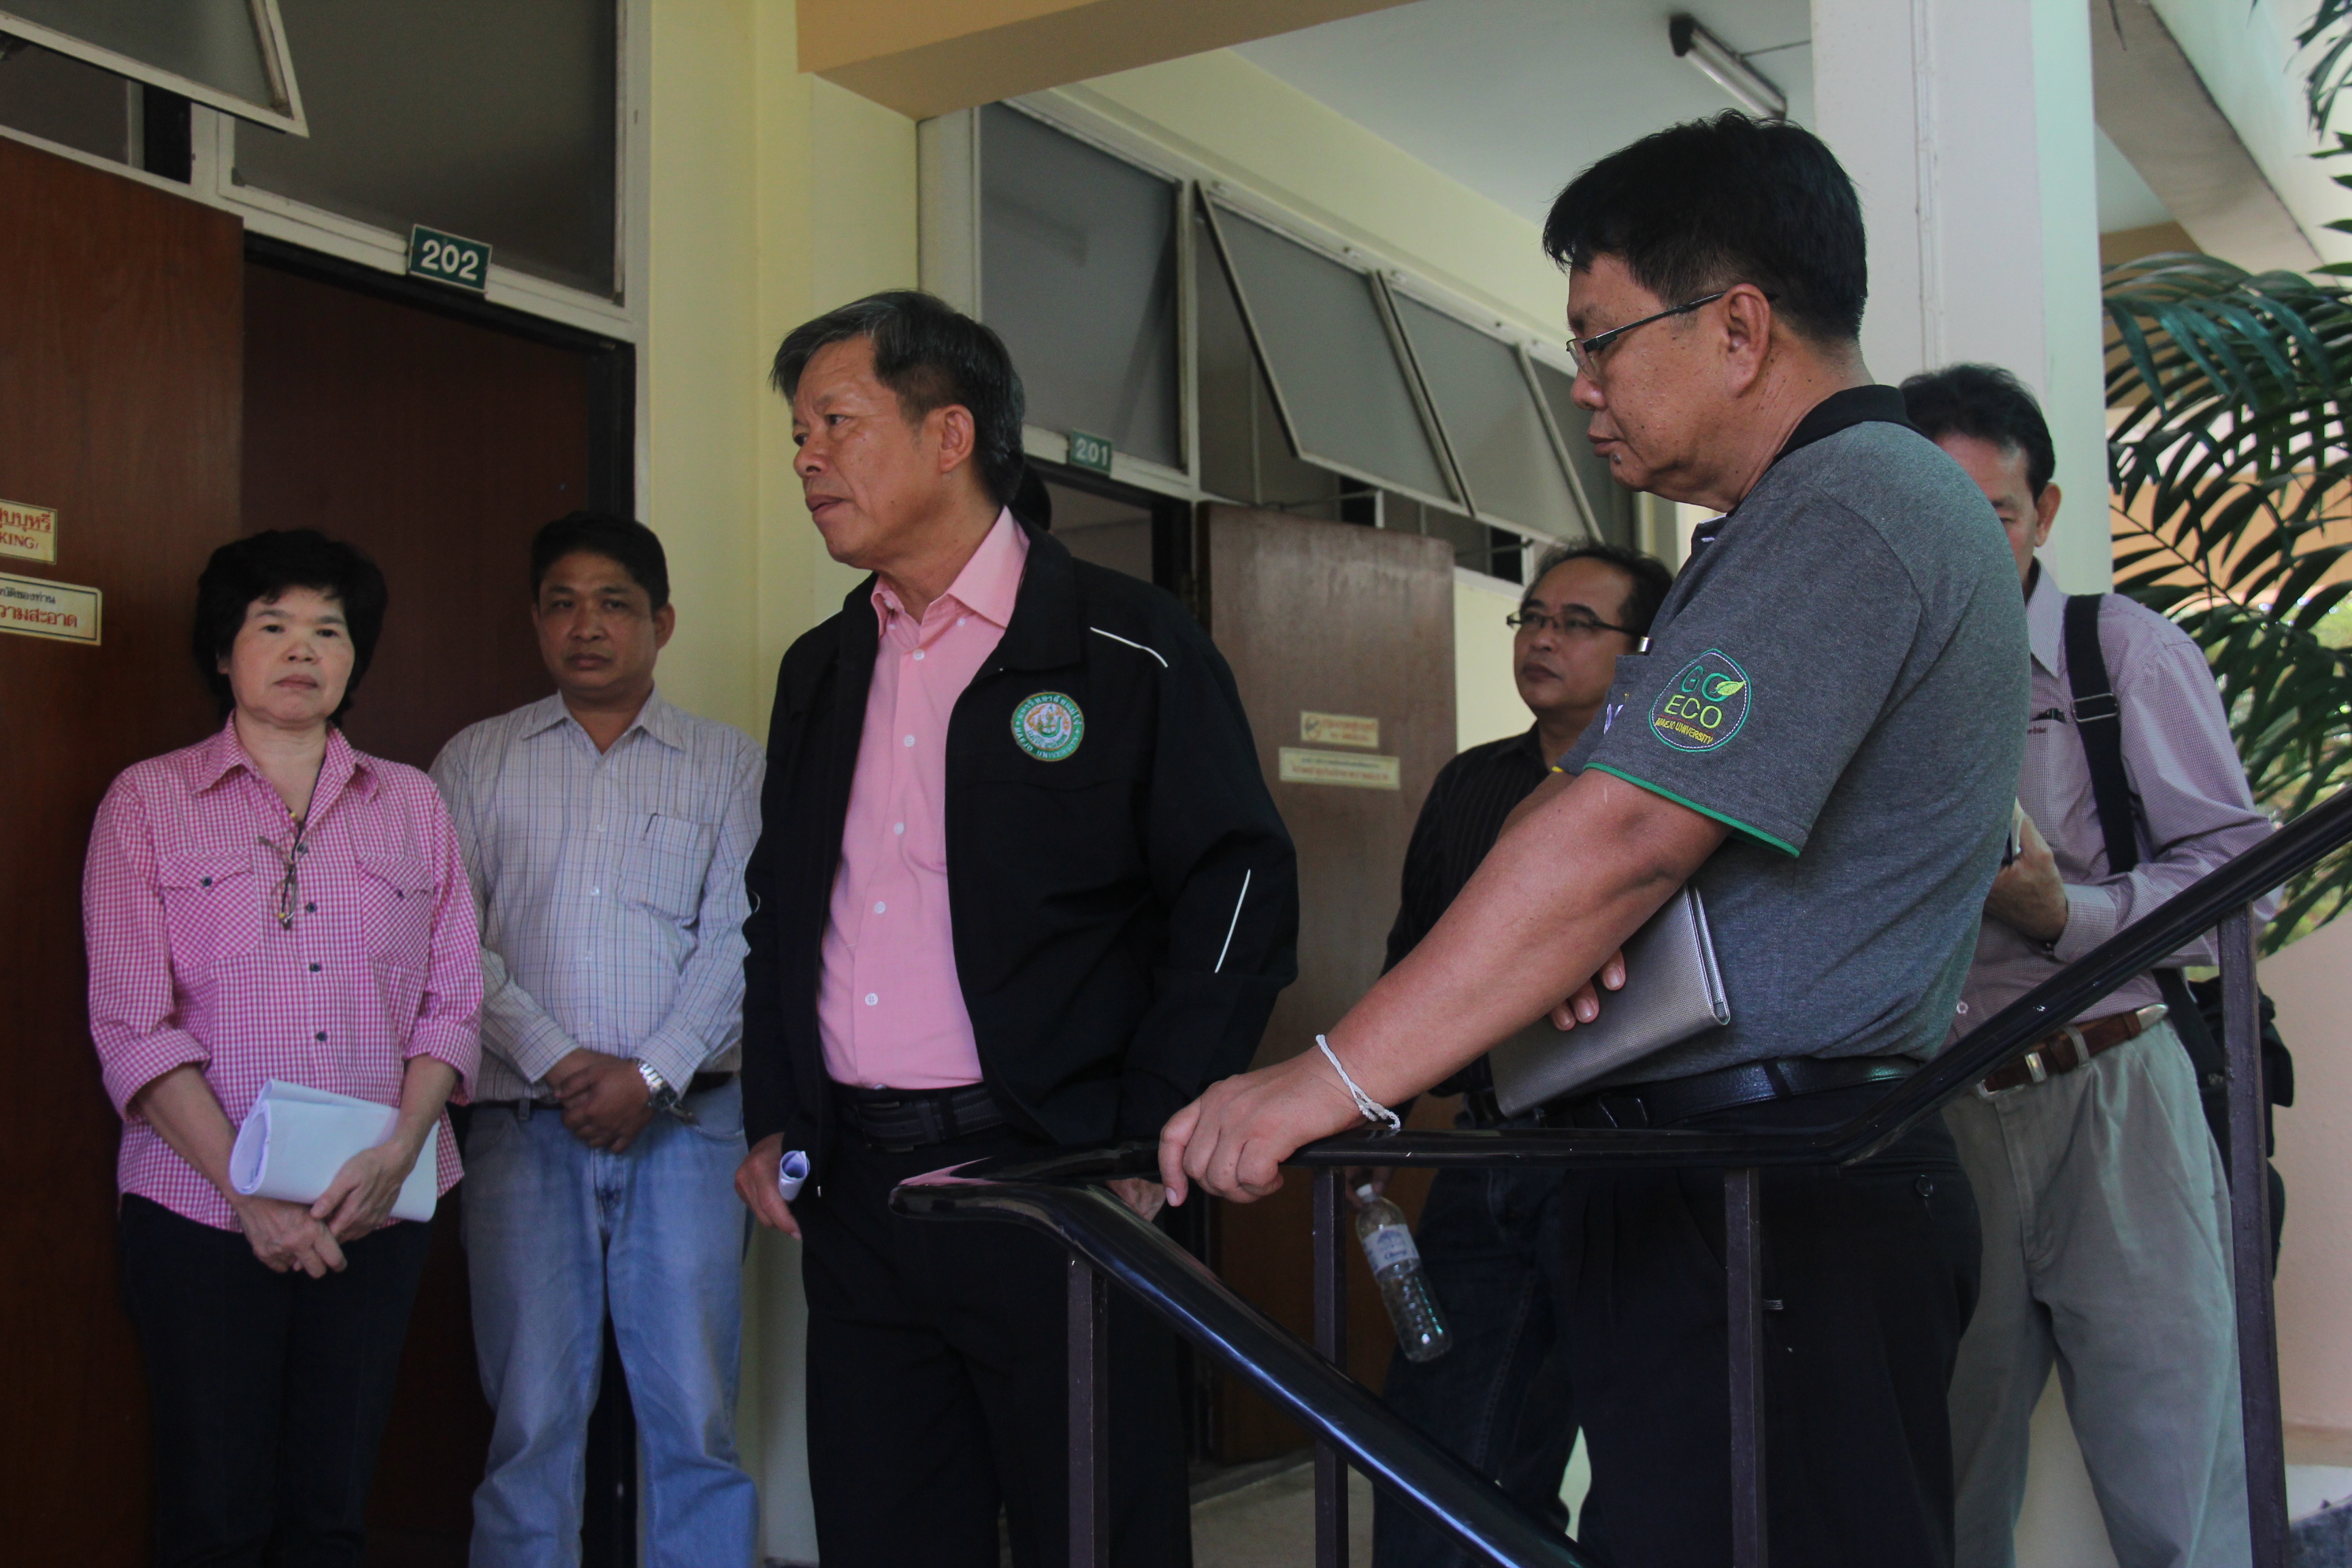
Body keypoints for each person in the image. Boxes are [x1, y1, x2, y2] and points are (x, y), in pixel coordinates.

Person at [1160, 112, 2028, 1568]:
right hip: (1702, 1171)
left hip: (1784, 1186)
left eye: (1600, 340)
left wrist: (1333, 1078)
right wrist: (1583, 921)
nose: (1581, 386)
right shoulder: (1777, 528)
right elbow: (1600, 824)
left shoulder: (1858, 502)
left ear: (1738, 327)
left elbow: (1622, 830)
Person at [734, 291, 1298, 1568]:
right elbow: (784, 909)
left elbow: (1240, 886)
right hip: (859, 1194)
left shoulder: (1126, 645)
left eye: (835, 422)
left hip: (1057, 1176)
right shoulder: (823, 668)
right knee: (885, 1534)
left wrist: (1151, 1127)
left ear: (950, 434)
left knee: (1093, 1530)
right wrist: (776, 1113)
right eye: (798, 435)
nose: (807, 458)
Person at [1901, 363, 2270, 1568]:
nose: (1965, 550)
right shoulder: (1860, 673)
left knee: (2181, 1478)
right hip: (1932, 1113)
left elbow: (2242, 879)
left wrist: (2073, 913)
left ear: (2045, 512)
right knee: (1943, 1482)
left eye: (1995, 516)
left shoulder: (2123, 654)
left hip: (2116, 1093)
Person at [85, 529, 481, 1567]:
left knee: (332, 1509)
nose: (303, 650)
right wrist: (250, 1195)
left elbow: (453, 1004)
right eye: (274, 626)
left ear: (356, 657)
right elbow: (132, 1025)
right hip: (200, 1210)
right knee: (214, 1513)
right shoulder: (147, 801)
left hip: (376, 1206)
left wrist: (397, 1155)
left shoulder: (412, 804)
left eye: (329, 630)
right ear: (225, 651)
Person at [429, 514, 762, 1568]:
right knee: (529, 1424)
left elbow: (747, 939)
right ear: (536, 622)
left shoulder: (728, 764)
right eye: (563, 604)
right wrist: (564, 1063)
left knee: (695, 1420)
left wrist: (651, 1074)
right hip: (524, 1130)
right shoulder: (475, 761)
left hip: (692, 1133)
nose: (588, 626)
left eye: (614, 604)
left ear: (661, 622)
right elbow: (448, 940)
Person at [1366, 540, 1671, 1568]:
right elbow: (1415, 960)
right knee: (1442, 1454)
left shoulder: (1669, 784)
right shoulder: (1473, 782)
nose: (1544, 638)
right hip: (1488, 1153)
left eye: (1578, 624)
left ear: (1643, 651)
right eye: (1534, 617)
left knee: (1649, 1468)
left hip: (1634, 1161)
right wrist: (1379, 1101)